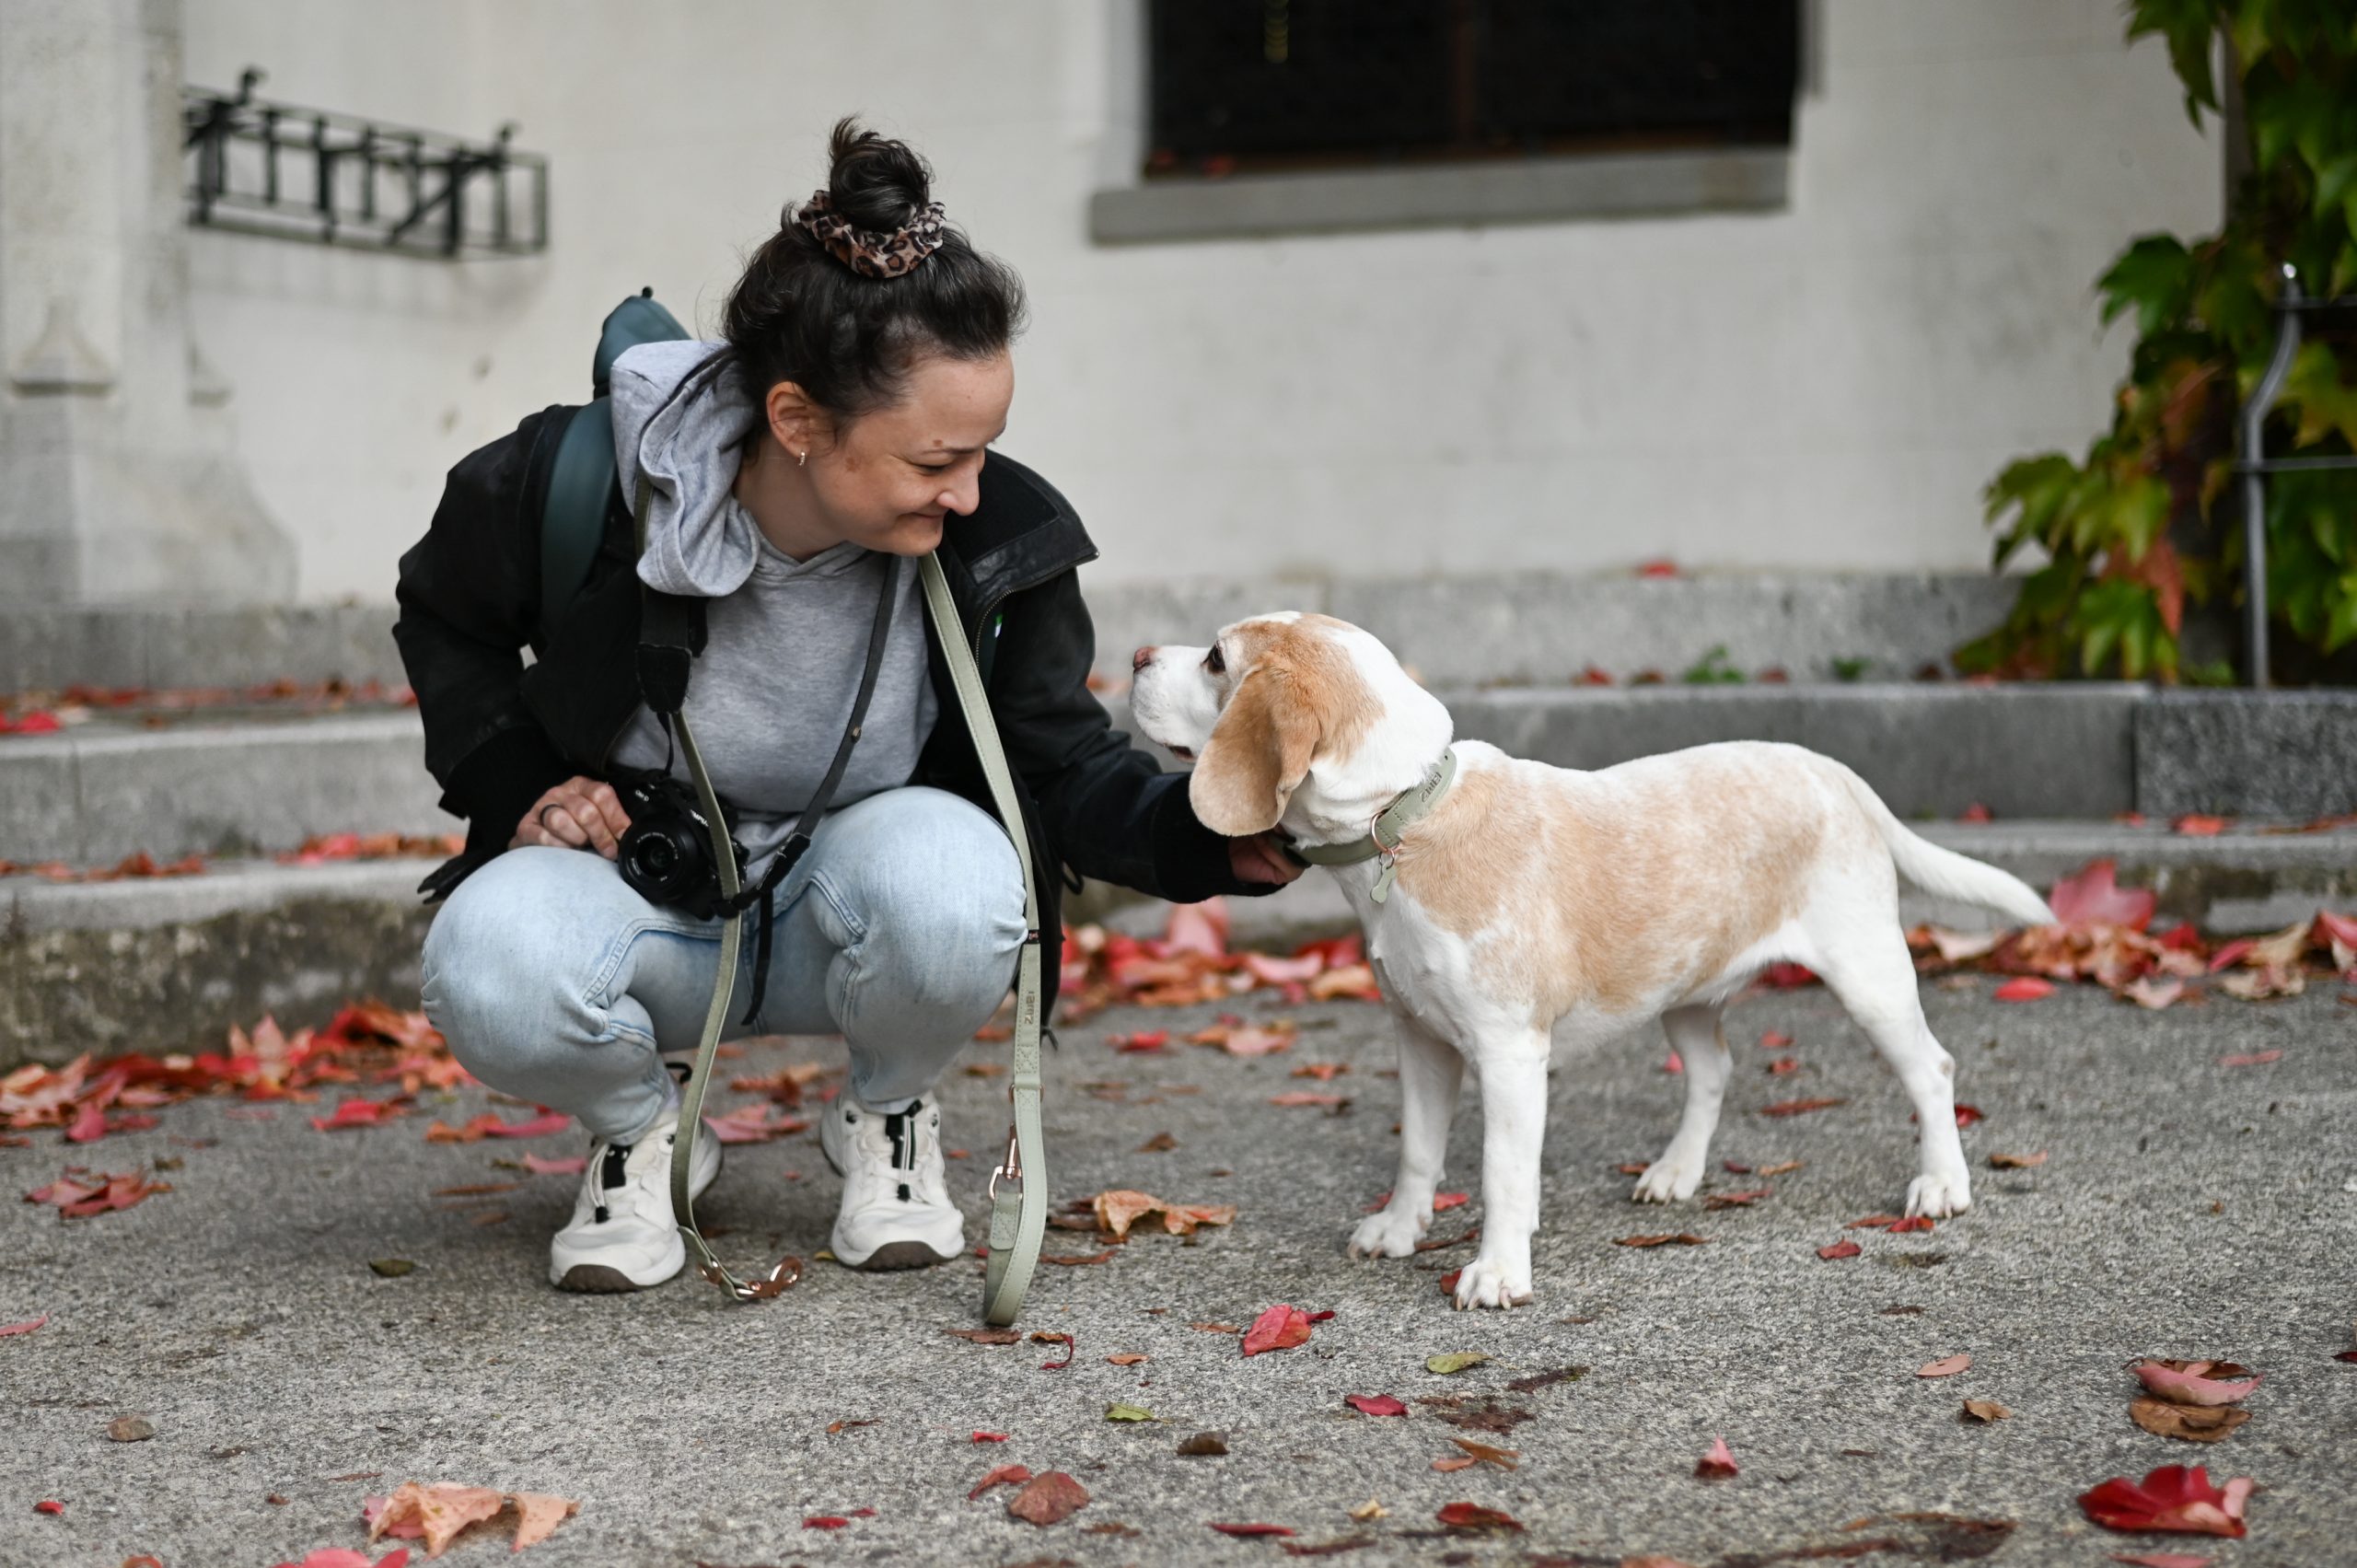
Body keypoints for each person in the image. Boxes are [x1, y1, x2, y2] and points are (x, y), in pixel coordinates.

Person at [394, 119, 1301, 1294]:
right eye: (934, 462)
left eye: (984, 449)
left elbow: (1059, 757)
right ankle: (638, 1127)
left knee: (966, 888)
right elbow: (441, 612)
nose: (970, 490)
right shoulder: (583, 480)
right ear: (797, 422)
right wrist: (526, 784)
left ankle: (886, 1111)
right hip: (644, 888)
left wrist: (1204, 836)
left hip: (851, 900)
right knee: (487, 961)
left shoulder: (992, 535)